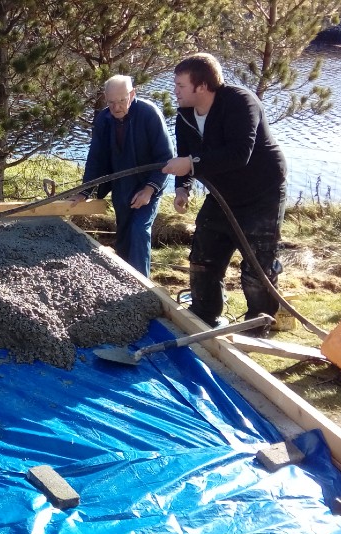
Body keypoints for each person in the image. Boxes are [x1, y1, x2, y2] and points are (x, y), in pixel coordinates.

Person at [161, 53, 287, 330]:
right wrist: (182, 188)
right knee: (203, 258)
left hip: (261, 193)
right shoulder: (185, 114)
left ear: (202, 86)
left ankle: (258, 326)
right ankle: (204, 318)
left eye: (181, 85)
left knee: (257, 266)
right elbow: (185, 154)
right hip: (221, 194)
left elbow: (239, 154)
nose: (176, 91)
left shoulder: (241, 102)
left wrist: (192, 164)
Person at [73, 75, 173, 277]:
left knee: (139, 230)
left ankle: (142, 285)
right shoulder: (103, 119)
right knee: (124, 234)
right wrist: (85, 192)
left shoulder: (149, 114)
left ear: (132, 94)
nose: (117, 107)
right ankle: (122, 281)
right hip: (121, 185)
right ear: (105, 98)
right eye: (111, 102)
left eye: (122, 101)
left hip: (148, 184)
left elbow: (166, 157)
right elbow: (96, 158)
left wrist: (149, 189)